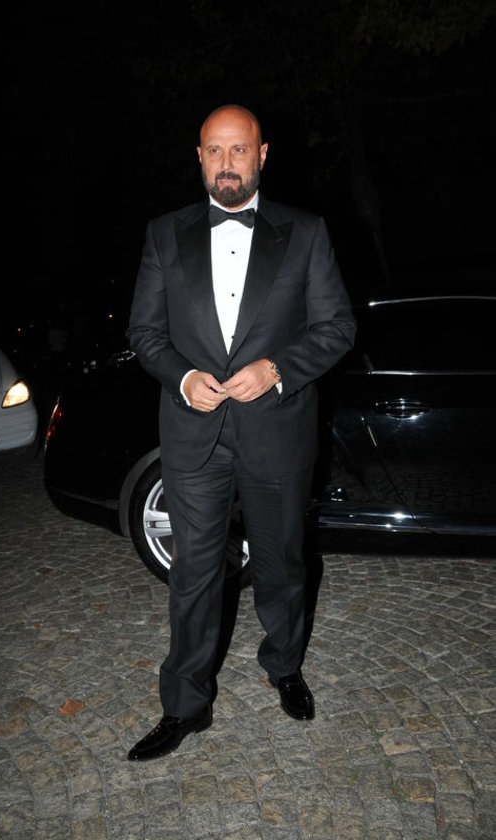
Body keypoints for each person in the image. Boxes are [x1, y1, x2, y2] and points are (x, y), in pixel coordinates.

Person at [126, 104, 357, 761]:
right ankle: (184, 704)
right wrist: (181, 377)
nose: (227, 163)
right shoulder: (164, 234)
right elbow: (144, 332)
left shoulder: (305, 232)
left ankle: (284, 664)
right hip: (193, 434)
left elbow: (337, 327)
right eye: (215, 150)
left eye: (239, 149)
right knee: (193, 573)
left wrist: (277, 369)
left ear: (262, 154)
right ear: (199, 157)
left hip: (277, 432)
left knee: (281, 563)